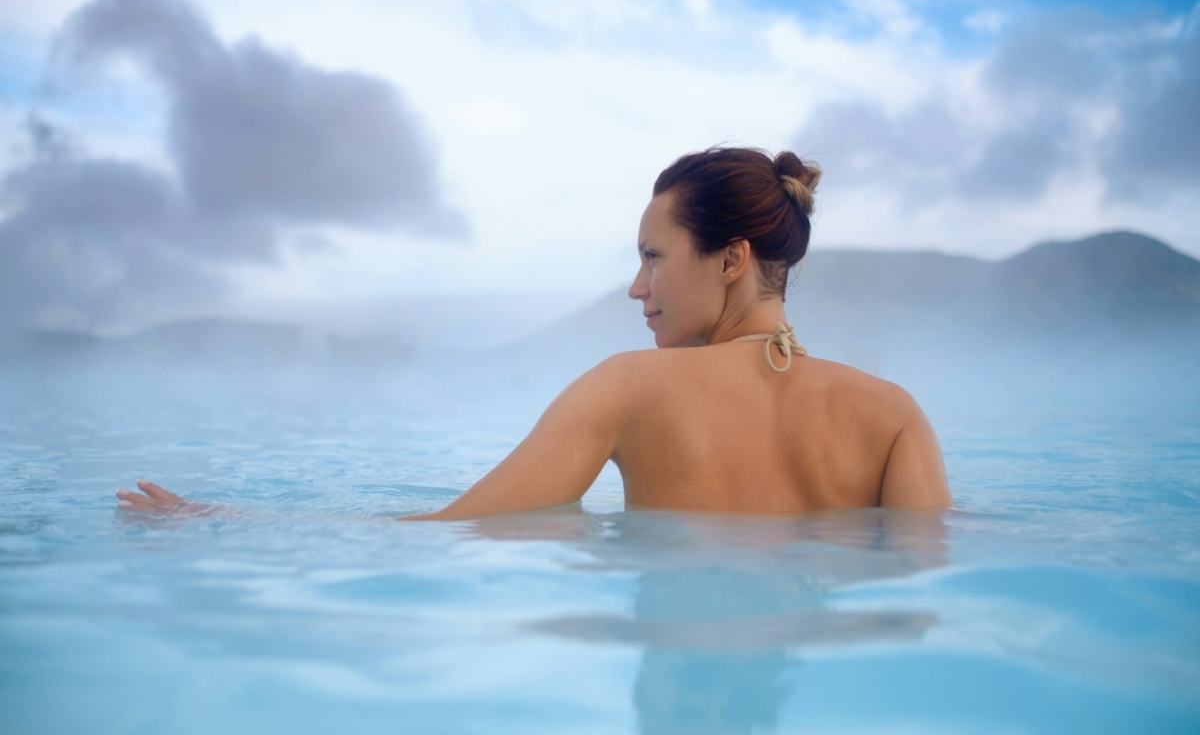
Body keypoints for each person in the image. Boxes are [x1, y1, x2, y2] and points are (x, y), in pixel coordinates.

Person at [117, 147, 953, 520]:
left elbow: (463, 526)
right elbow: (927, 597)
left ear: (732, 259)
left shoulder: (628, 387)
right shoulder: (893, 417)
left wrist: (223, 519)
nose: (636, 287)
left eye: (654, 258)